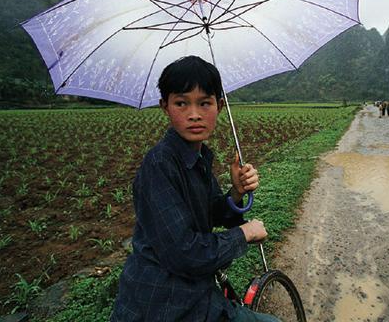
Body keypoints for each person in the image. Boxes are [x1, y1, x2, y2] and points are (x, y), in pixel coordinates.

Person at [111, 56, 278, 322]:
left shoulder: (196, 158)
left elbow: (212, 213)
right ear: (164, 107)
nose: (194, 114)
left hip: (197, 295)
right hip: (163, 304)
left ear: (220, 106)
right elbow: (185, 254)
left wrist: (235, 192)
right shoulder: (160, 165)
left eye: (204, 103)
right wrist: (244, 233)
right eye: (181, 103)